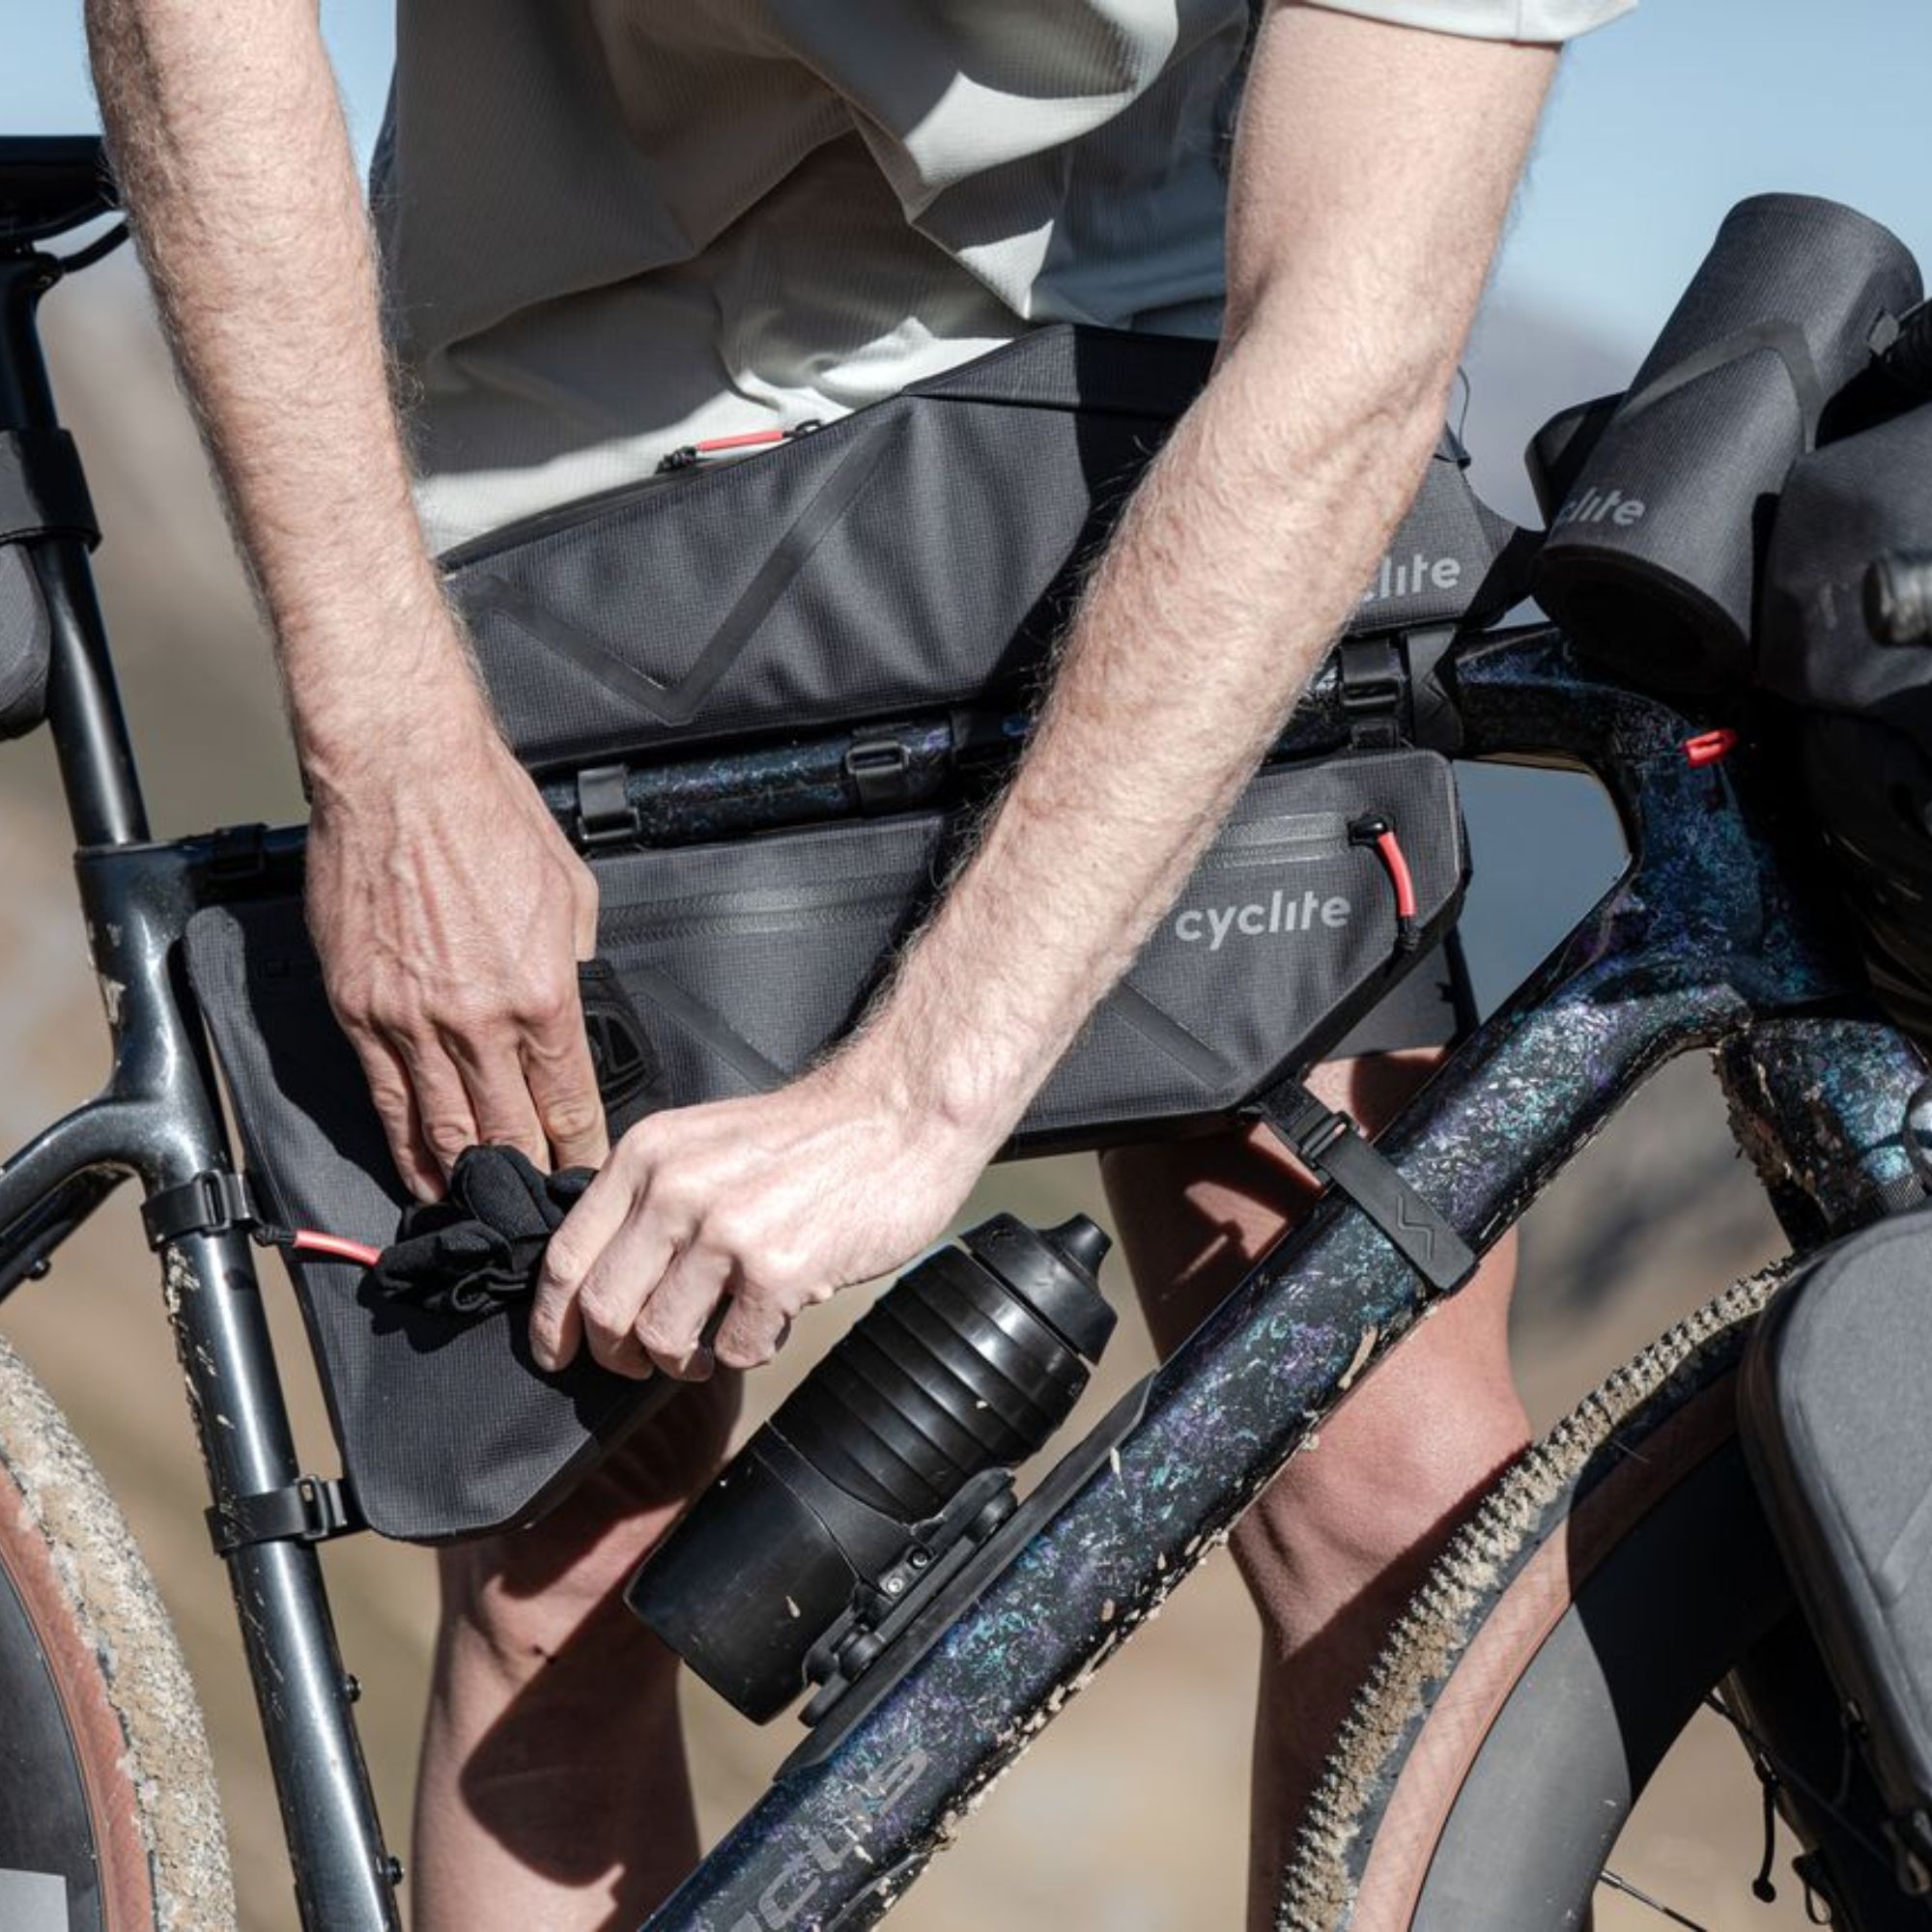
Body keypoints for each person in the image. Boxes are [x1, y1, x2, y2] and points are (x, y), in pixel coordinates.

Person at [87, 1, 1631, 1925]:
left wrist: (911, 1100)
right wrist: (392, 762)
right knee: (561, 1576)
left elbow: (1348, 345)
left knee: (1395, 1499)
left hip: (1164, 403)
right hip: (581, 406)